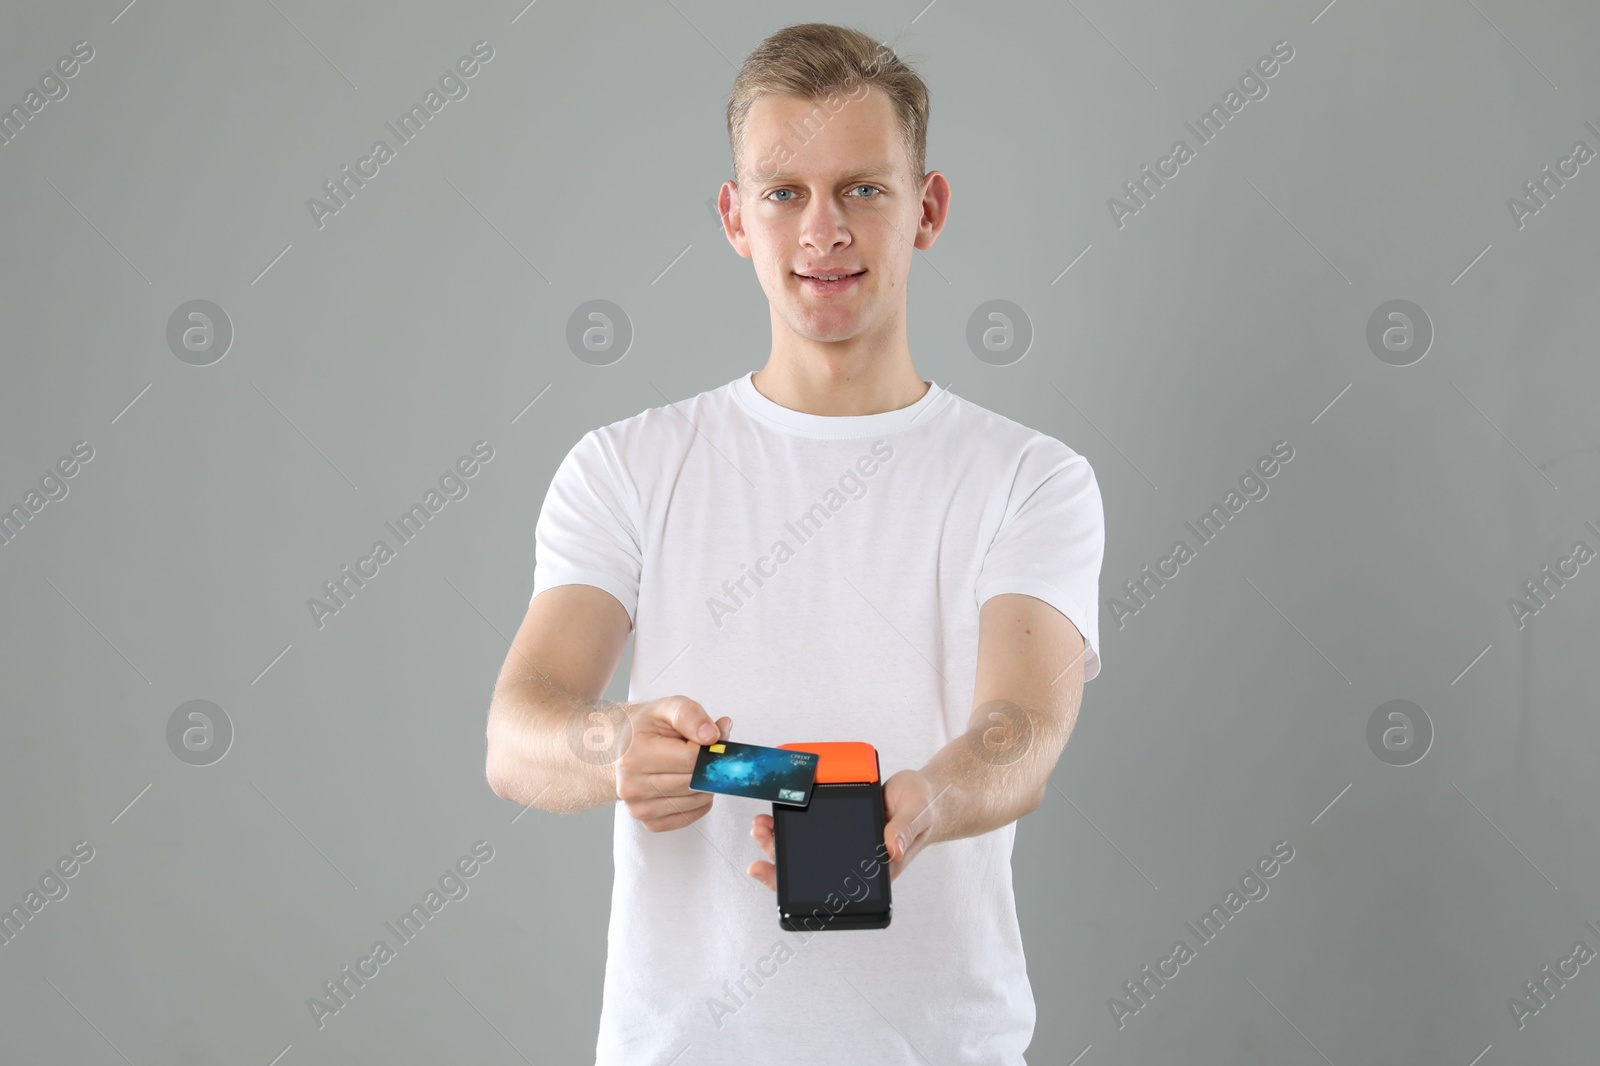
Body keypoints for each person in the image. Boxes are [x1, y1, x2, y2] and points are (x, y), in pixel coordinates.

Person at [485, 22, 1105, 1065]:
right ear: (734, 217)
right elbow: (515, 738)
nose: (823, 230)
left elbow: (1023, 732)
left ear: (928, 210)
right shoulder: (627, 465)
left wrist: (926, 802)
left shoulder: (1029, 478)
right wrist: (617, 748)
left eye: (863, 188)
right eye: (783, 193)